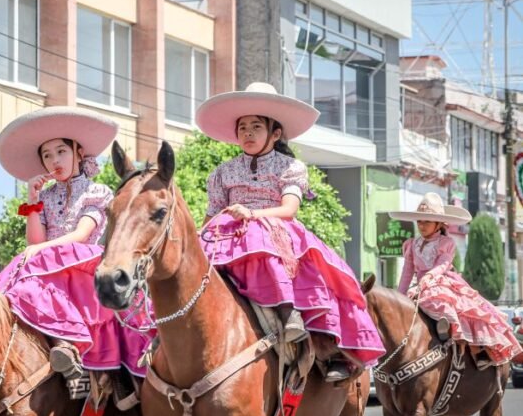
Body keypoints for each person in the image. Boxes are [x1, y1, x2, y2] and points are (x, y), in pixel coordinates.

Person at [195, 82, 385, 382]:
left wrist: (252, 214)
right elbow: (211, 216)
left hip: (274, 230)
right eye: (242, 127)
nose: (247, 133)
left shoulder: (290, 166)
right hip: (227, 235)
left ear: (275, 133)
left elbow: (289, 209)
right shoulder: (222, 172)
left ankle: (298, 322)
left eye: (256, 126)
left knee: (263, 237)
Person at [0, 106, 153, 398]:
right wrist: (33, 200)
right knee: (21, 281)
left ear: (79, 153)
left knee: (38, 262)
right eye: (47, 155)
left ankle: (106, 375)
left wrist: (38, 250)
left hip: (85, 263)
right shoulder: (46, 196)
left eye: (61, 151)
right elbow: (34, 240)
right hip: (49, 263)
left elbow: (81, 235)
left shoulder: (97, 191)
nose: (54, 160)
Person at [390, 193, 523, 369]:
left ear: (439, 224)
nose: (421, 225)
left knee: (455, 307)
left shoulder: (446, 242)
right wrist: (399, 296)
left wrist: (428, 278)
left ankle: (475, 350)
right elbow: (407, 273)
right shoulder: (411, 244)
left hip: (442, 282)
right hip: (420, 285)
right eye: (419, 221)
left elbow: (442, 265)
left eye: (427, 221)